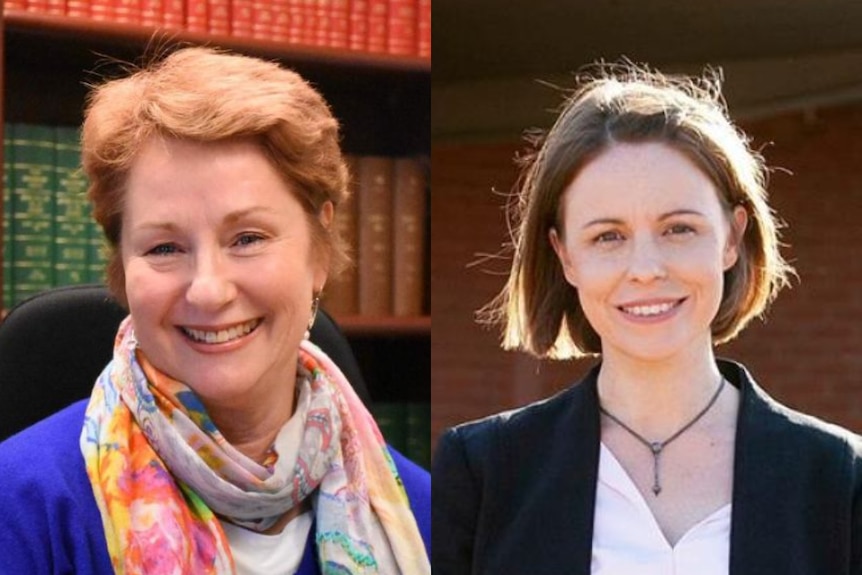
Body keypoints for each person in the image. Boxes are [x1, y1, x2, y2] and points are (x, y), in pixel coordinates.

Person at [0, 46, 430, 574]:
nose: (208, 289)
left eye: (247, 238)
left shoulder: (425, 511)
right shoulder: (21, 505)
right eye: (164, 248)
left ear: (319, 251)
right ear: (122, 270)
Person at [432, 63, 862, 574]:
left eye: (678, 229)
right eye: (607, 236)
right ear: (565, 255)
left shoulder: (839, 478)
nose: (645, 270)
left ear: (731, 237)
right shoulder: (483, 473)